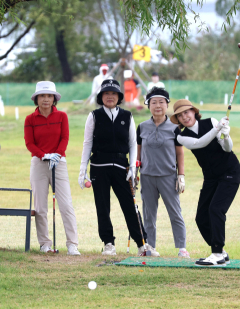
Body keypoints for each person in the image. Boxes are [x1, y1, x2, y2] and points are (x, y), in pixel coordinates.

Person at [79, 79, 148, 256]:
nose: (110, 97)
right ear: (101, 97)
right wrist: (82, 170)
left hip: (121, 167)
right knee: (102, 206)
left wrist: (132, 167)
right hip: (99, 166)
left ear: (119, 97)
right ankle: (108, 243)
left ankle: (141, 243)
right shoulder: (94, 116)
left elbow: (133, 144)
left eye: (113, 94)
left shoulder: (127, 116)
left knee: (130, 206)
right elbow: (87, 143)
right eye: (106, 94)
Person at [171, 99, 238, 267]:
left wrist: (226, 134)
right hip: (210, 177)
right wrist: (217, 129)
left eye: (186, 112)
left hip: (229, 172)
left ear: (194, 112)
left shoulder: (211, 122)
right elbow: (199, 143)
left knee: (216, 209)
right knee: (201, 217)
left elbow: (228, 148)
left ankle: (216, 252)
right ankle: (220, 252)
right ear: (178, 120)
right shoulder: (181, 136)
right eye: (180, 115)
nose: (184, 117)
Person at [24, 81, 80, 255]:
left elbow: (65, 138)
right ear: (37, 99)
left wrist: (57, 154)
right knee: (40, 206)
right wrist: (44, 155)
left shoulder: (62, 116)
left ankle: (72, 244)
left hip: (59, 163)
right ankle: (44, 243)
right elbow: (29, 143)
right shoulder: (30, 119)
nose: (46, 99)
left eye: (49, 96)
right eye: (42, 96)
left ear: (54, 98)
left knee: (66, 205)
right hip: (38, 164)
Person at [136, 88, 188, 258]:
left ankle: (182, 248)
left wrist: (181, 175)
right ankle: (150, 246)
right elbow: (138, 151)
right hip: (147, 176)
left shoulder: (174, 128)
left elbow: (179, 153)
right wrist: (134, 171)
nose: (157, 106)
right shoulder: (142, 127)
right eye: (153, 102)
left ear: (167, 104)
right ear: (148, 105)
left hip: (168, 176)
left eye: (161, 102)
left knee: (175, 213)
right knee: (149, 214)